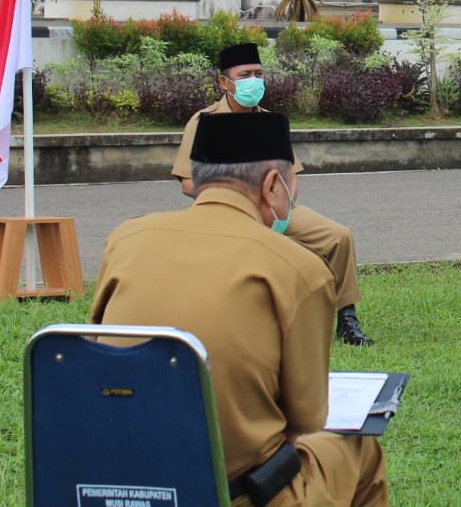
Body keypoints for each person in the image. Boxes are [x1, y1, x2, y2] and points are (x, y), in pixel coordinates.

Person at [93, 111, 388, 506]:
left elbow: (97, 352)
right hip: (240, 493)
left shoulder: (124, 240)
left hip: (126, 485)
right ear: (272, 185)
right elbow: (306, 419)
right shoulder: (299, 269)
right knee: (360, 450)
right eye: (293, 179)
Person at [172, 43, 373, 346]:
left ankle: (347, 319)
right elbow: (188, 182)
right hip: (225, 213)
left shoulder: (270, 121)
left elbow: (290, 175)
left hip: (274, 210)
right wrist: (233, 201)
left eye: (258, 74)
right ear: (225, 82)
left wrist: (283, 211)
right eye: (245, 75)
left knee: (338, 236)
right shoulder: (205, 122)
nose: (254, 80)